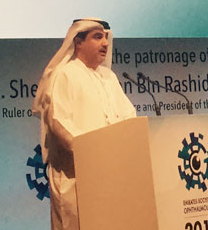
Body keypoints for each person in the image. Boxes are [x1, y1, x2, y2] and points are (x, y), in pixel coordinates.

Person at [32, 18, 136, 230]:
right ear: (78, 42)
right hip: (76, 177)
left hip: (110, 174)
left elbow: (129, 116)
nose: (105, 43)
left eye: (105, 37)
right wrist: (94, 152)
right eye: (97, 37)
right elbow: (60, 122)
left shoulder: (108, 77)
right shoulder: (64, 75)